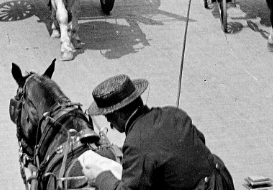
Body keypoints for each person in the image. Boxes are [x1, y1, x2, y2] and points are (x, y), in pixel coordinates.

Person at [77, 74, 234, 190]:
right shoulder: (173, 113)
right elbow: (199, 141)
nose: (109, 123)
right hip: (220, 181)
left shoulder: (136, 143)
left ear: (119, 114)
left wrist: (100, 176)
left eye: (108, 117)